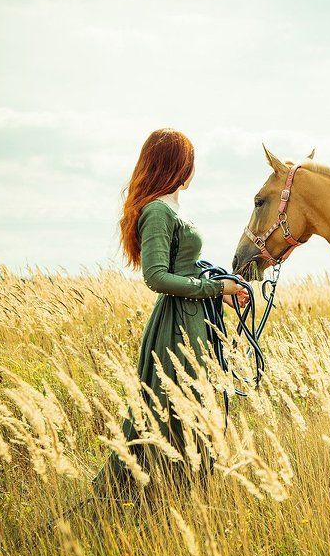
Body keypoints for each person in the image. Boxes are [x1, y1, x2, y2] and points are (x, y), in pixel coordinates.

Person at [93, 128, 248, 501]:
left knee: (196, 411)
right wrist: (216, 288)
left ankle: (183, 493)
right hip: (178, 328)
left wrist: (223, 295)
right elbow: (157, 276)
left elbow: (185, 268)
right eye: (189, 160)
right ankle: (138, 495)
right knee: (172, 413)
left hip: (197, 320)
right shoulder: (158, 211)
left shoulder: (170, 207)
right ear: (178, 164)